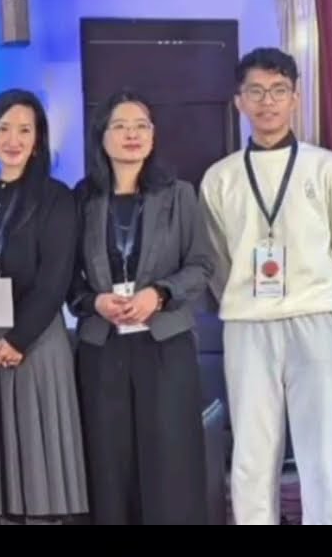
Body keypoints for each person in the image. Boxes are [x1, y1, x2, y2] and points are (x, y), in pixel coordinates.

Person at [199, 47, 332, 525]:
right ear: (239, 101)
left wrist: (328, 309)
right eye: (255, 91)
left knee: (322, 455)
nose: (266, 101)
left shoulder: (327, 168)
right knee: (252, 457)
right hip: (247, 325)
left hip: (316, 320)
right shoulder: (220, 178)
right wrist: (246, 300)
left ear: (295, 97)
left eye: (277, 91)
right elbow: (217, 261)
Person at [67, 90, 215, 525]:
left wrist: (160, 294)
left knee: (170, 464)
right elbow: (67, 277)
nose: (132, 134)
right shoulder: (82, 199)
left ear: (153, 136)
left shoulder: (180, 194)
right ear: (102, 136)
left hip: (165, 344)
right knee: (109, 466)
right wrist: (94, 301)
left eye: (141, 126)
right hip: (102, 347)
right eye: (120, 126)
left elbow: (201, 265)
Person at [0, 88, 88, 524]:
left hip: (37, 342)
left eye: (25, 130)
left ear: (37, 140)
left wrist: (17, 339)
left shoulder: (57, 197)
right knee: (0, 478)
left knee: (40, 470)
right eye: (4, 129)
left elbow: (55, 279)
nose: (13, 140)